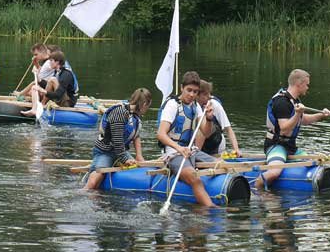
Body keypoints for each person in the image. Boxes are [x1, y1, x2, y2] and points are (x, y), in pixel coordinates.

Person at [256, 69, 330, 190]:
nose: (308, 87)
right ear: (299, 84)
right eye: (307, 84)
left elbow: (303, 120)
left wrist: (321, 115)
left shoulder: (294, 101)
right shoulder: (281, 102)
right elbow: (285, 129)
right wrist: (297, 114)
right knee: (274, 173)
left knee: (314, 163)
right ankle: (258, 190)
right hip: (276, 145)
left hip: (290, 147)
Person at [156, 71, 217, 207]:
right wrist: (179, 149)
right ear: (181, 88)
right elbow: (161, 134)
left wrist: (209, 118)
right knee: (194, 178)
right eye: (189, 90)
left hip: (190, 150)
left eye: (195, 92)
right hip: (173, 152)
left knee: (220, 164)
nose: (192, 95)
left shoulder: (196, 107)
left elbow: (206, 133)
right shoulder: (172, 105)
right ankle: (211, 208)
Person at [83, 88, 152, 190]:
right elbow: (117, 141)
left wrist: (139, 156)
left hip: (120, 152)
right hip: (105, 151)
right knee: (95, 180)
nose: (147, 109)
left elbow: (136, 135)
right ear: (144, 104)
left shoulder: (135, 116)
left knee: (136, 170)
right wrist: (126, 159)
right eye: (148, 106)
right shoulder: (119, 112)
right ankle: (85, 190)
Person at [196, 80, 241, 158]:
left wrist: (236, 149)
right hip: (197, 143)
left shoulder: (214, 105)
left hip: (214, 142)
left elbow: (228, 129)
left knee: (202, 125)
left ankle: (196, 156)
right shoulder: (191, 106)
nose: (209, 96)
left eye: (209, 93)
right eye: (205, 94)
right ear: (197, 96)